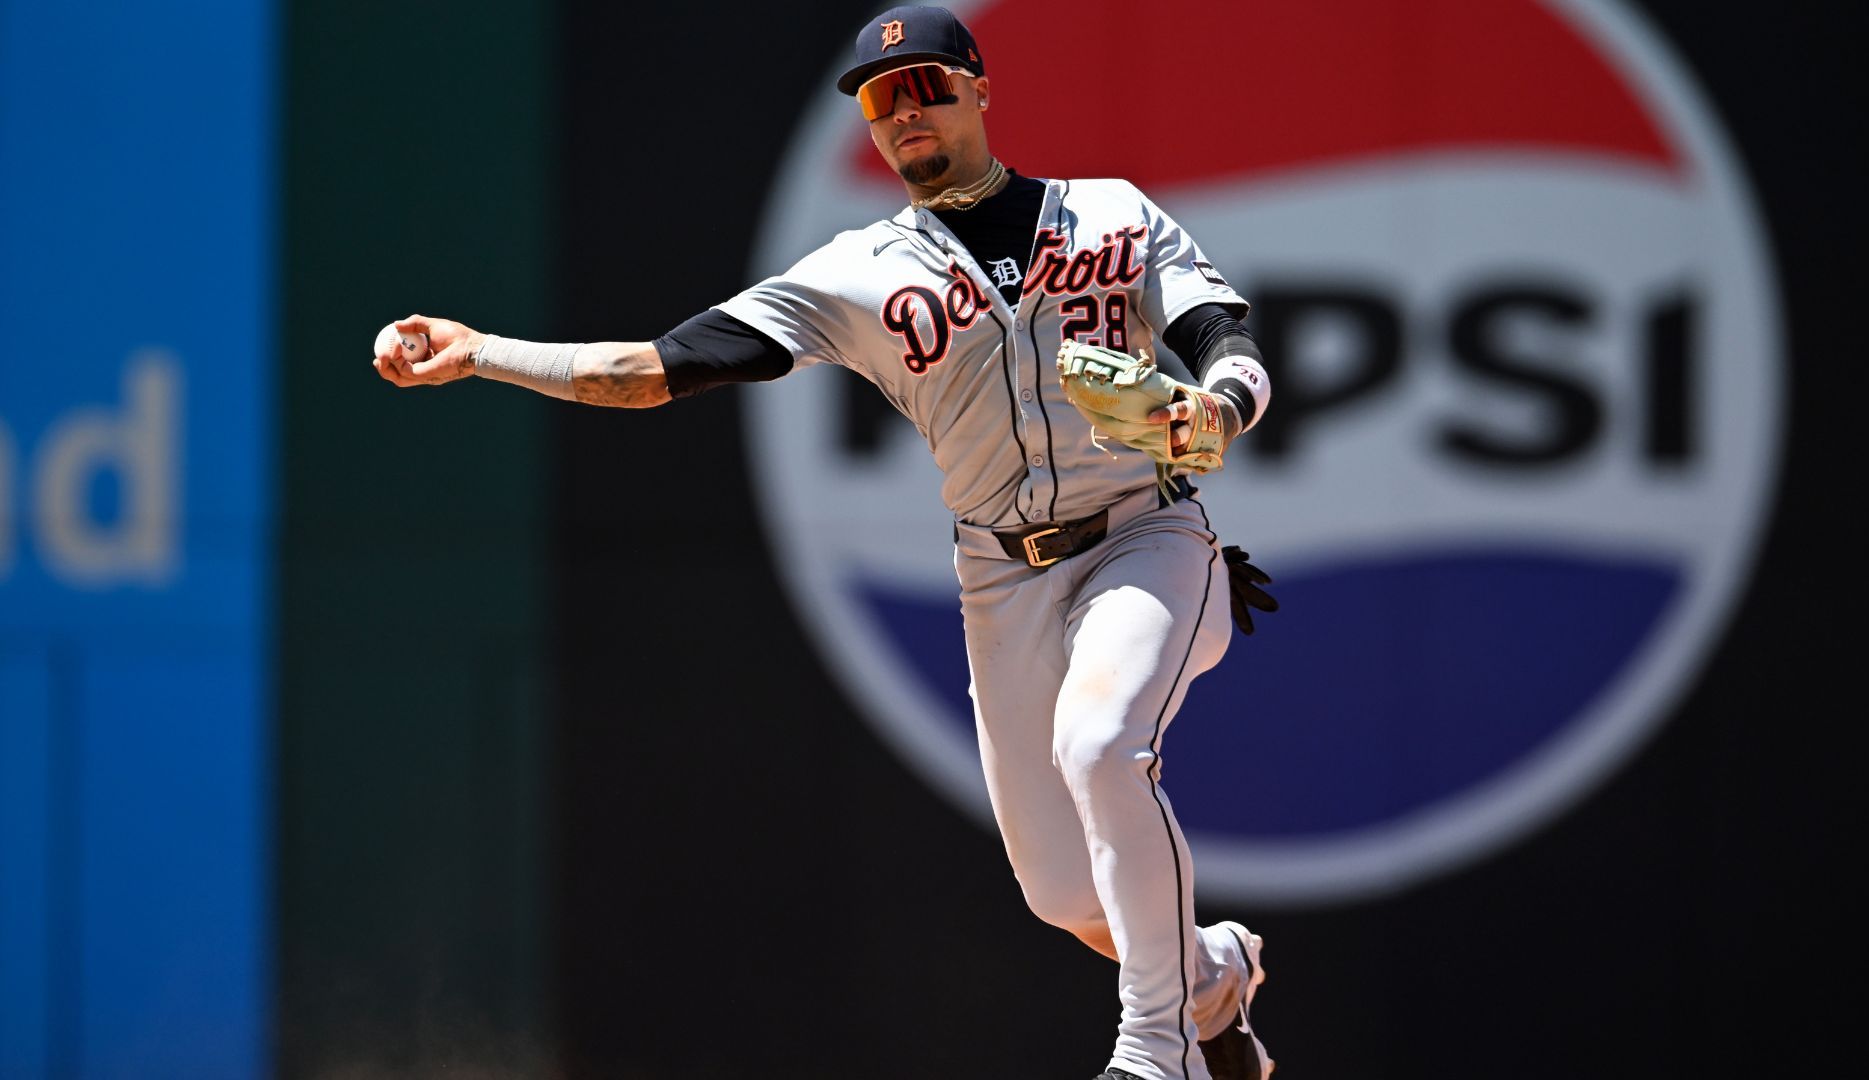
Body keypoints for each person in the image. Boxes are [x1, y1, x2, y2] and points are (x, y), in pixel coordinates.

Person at [374, 7, 1277, 1078]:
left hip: (1149, 537)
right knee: (1065, 896)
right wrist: (484, 351)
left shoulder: (1108, 217)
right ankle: (1209, 974)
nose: (907, 112)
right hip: (1004, 572)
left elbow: (1226, 336)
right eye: (882, 98)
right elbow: (656, 369)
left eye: (929, 85)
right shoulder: (857, 274)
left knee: (1097, 746)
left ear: (979, 90)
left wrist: (1219, 408)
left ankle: (1156, 1049)